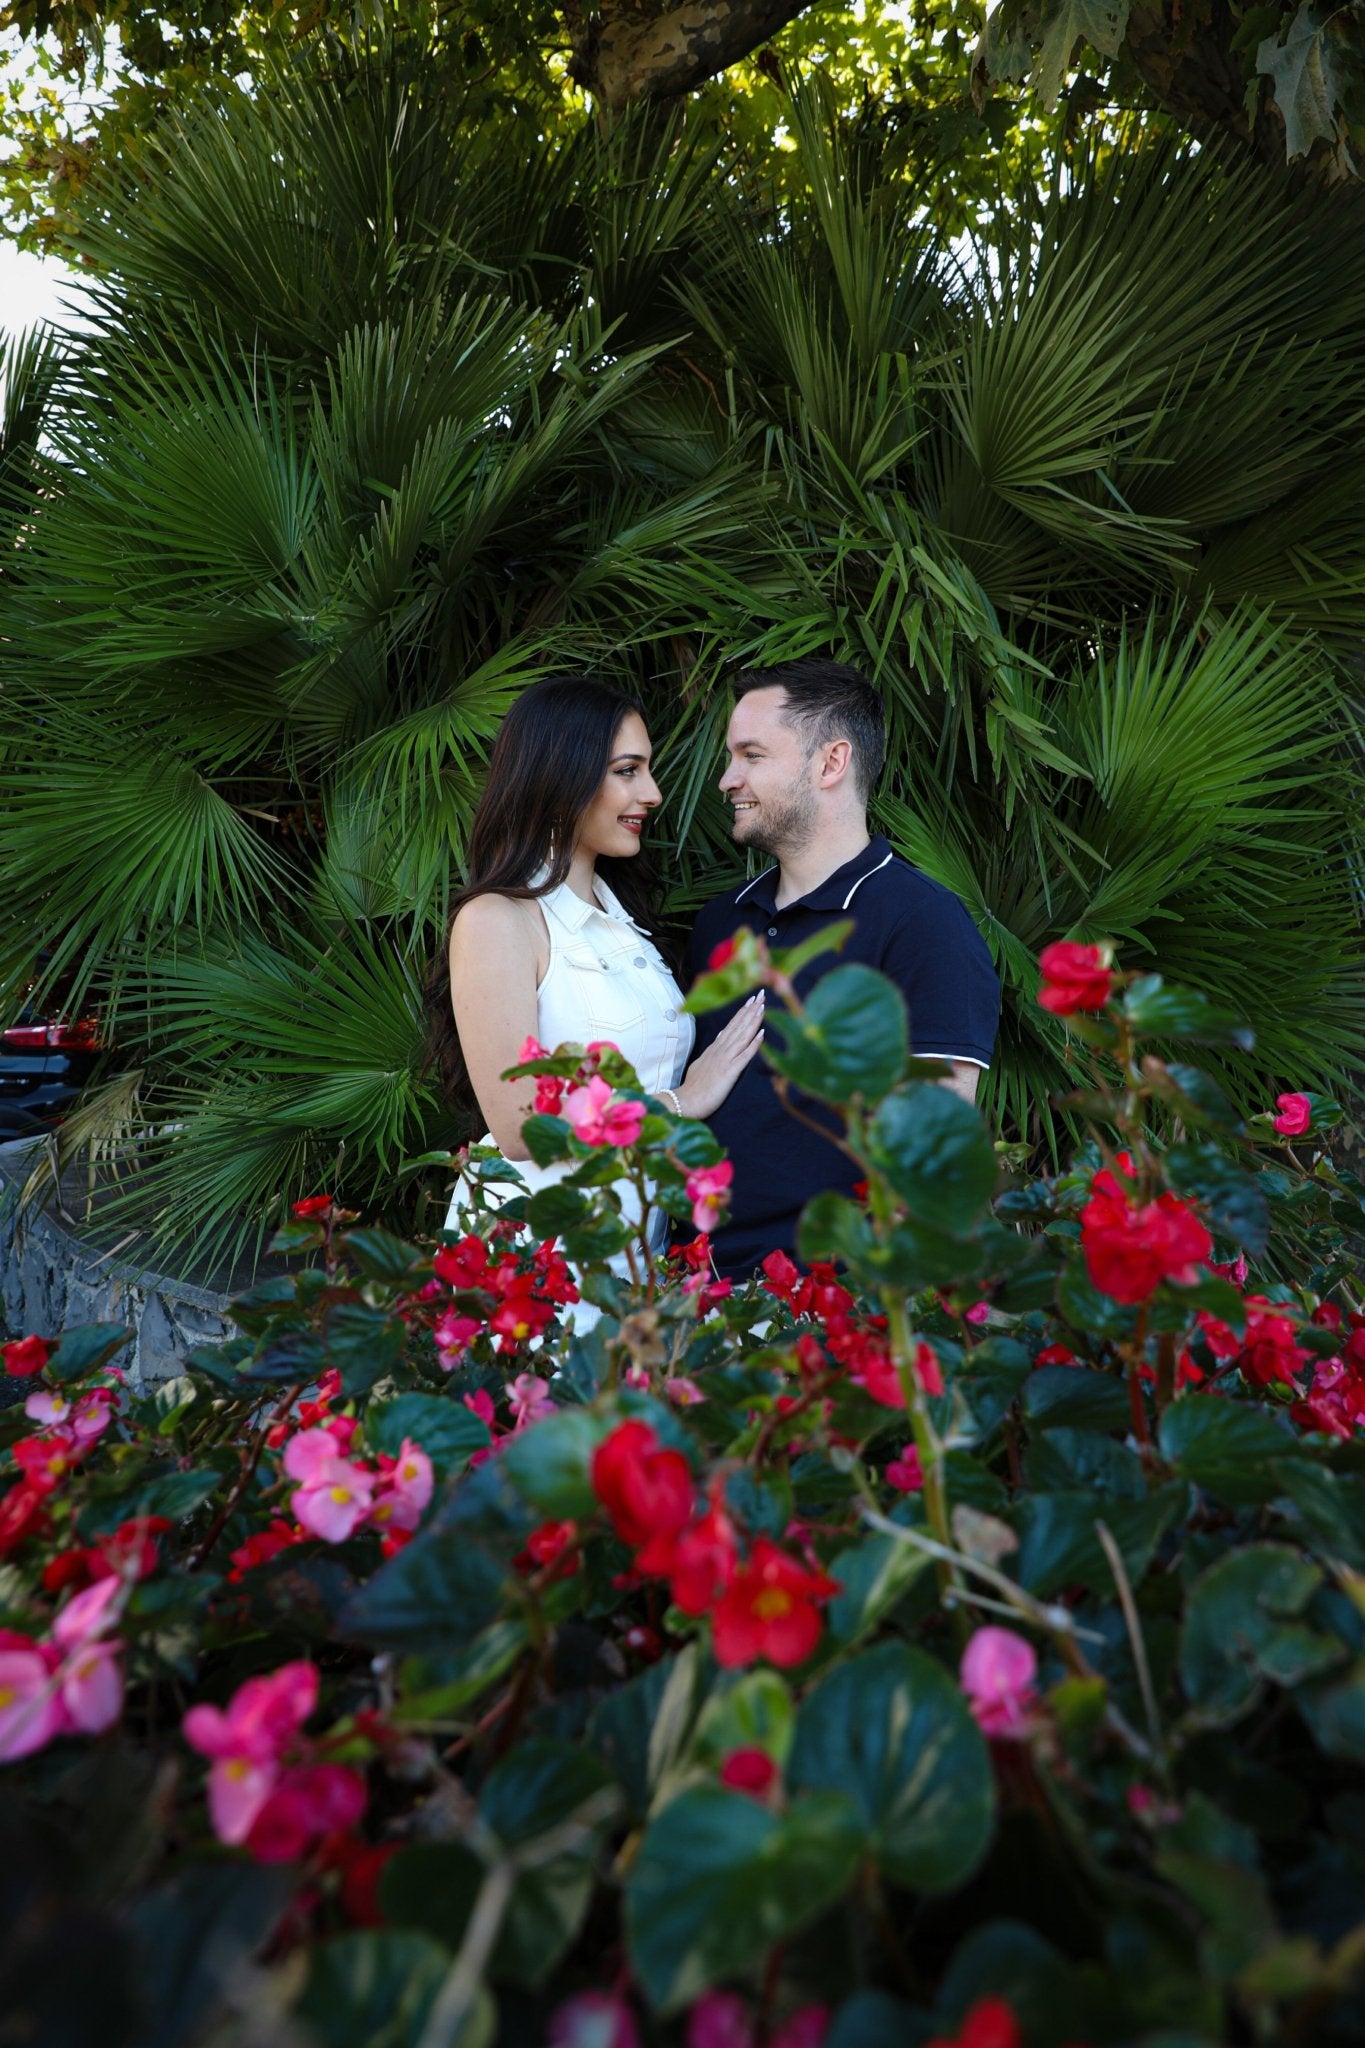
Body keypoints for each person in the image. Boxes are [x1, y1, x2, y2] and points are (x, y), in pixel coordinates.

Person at [428, 676, 765, 1287]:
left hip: (631, 1259)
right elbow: (519, 1123)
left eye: (647, 770)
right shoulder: (497, 920)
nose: (654, 793)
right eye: (628, 771)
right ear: (562, 775)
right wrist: (684, 1101)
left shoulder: (626, 928)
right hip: (530, 1264)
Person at [686, 657, 1001, 1282]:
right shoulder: (720, 924)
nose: (727, 779)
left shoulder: (923, 923)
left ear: (831, 763)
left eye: (751, 754)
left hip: (823, 1303)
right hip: (688, 1291)